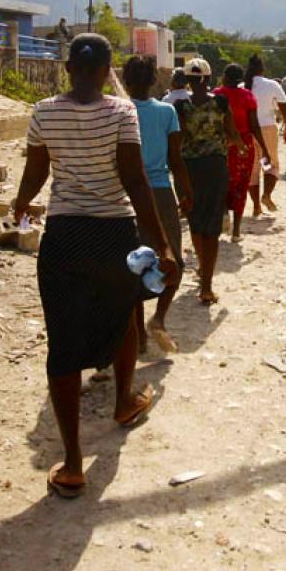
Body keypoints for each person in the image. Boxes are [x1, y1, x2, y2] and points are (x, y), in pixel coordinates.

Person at [12, 34, 178, 500]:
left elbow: (37, 170)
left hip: (64, 236)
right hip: (114, 234)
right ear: (109, 71)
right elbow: (133, 179)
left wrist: (22, 202)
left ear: (68, 69)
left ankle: (70, 464)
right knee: (125, 314)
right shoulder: (121, 112)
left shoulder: (44, 111)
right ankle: (124, 402)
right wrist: (161, 242)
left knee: (62, 342)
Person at [124, 55, 191, 355]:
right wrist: (186, 192)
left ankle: (138, 337)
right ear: (154, 81)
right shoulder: (167, 112)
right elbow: (176, 159)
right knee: (172, 261)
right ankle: (159, 319)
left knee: (133, 266)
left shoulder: (117, 111)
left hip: (125, 195)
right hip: (161, 193)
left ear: (125, 80)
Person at [173, 56, 240, 304]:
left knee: (195, 221)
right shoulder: (221, 103)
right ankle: (207, 286)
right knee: (212, 226)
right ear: (209, 78)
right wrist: (239, 145)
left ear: (187, 80)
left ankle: (203, 269)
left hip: (188, 169)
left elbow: (177, 140)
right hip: (214, 168)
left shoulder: (180, 106)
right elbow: (231, 133)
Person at [214, 63, 263, 239]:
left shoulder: (216, 95)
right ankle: (236, 232)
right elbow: (255, 125)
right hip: (244, 145)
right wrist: (264, 148)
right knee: (241, 185)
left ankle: (225, 212)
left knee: (223, 182)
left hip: (222, 144)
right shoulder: (248, 96)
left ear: (224, 77)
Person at [244, 55, 286, 212]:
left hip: (248, 131)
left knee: (252, 168)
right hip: (267, 129)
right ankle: (266, 195)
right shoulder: (271, 85)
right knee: (270, 164)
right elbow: (284, 107)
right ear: (262, 69)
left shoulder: (242, 85)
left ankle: (256, 206)